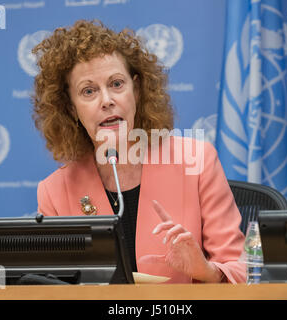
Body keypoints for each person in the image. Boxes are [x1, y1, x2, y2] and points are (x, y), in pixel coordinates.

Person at [32, 20, 246, 283]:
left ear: (137, 89)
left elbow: (240, 269)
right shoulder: (54, 192)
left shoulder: (197, 161)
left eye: (117, 84)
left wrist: (205, 270)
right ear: (70, 108)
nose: (107, 100)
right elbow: (54, 287)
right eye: (88, 91)